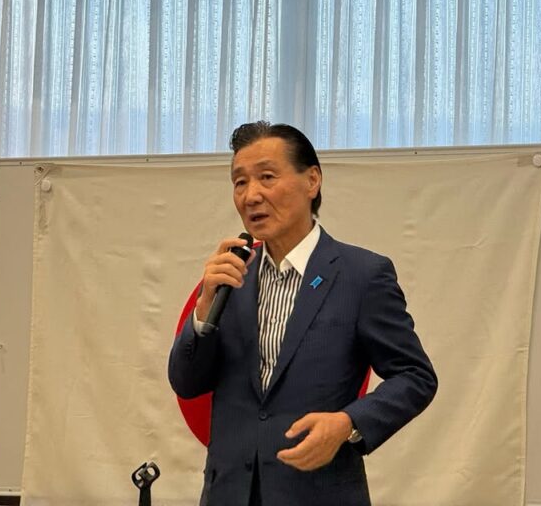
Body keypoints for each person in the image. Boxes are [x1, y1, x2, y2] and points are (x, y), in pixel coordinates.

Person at [168, 121, 437, 506]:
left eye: (267, 177)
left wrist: (347, 423)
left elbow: (415, 376)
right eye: (240, 182)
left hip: (318, 492)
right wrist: (203, 311)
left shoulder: (361, 275)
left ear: (312, 181)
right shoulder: (230, 276)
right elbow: (186, 383)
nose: (251, 195)